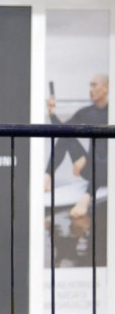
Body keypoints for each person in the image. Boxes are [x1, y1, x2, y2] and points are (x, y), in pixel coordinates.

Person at [45, 74, 108, 218]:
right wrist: (52, 114)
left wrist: (86, 159)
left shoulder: (112, 112)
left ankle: (86, 197)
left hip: (109, 170)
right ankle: (47, 177)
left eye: (94, 85)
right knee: (67, 134)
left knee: (103, 149)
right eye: (90, 85)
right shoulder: (86, 112)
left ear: (106, 88)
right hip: (90, 170)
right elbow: (62, 131)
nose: (90, 89)